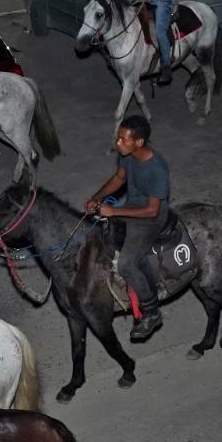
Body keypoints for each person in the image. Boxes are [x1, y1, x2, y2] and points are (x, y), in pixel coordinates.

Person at [84, 115, 170, 341]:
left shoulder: (156, 168)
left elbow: (152, 210)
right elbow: (119, 178)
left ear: (139, 142)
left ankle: (151, 311)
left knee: (126, 264)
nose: (118, 143)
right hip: (133, 207)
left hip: (150, 219)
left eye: (123, 140)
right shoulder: (129, 156)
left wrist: (114, 211)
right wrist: (97, 197)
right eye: (118, 138)